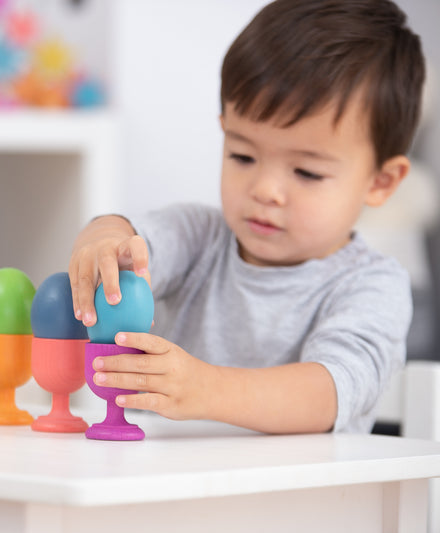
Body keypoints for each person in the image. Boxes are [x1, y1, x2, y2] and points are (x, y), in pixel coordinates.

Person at [69, 0, 425, 433]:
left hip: (308, 500)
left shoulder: (372, 285)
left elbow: (330, 394)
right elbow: (128, 244)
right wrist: (102, 241)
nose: (265, 190)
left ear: (381, 182)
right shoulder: (200, 237)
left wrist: (204, 388)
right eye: (242, 155)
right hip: (168, 489)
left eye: (307, 171)